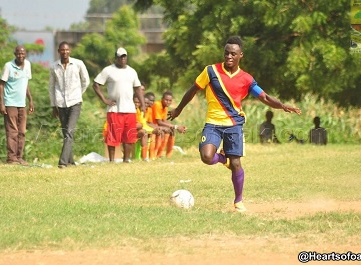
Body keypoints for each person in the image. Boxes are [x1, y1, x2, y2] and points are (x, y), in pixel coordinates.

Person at [168, 36, 301, 212]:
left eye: (233, 54)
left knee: (236, 164)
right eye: (226, 53)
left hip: (234, 124)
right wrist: (178, 109)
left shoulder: (246, 79)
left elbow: (265, 97)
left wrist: (282, 106)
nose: (229, 56)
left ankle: (238, 201)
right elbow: (193, 90)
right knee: (207, 157)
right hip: (213, 123)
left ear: (240, 55)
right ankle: (223, 159)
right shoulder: (211, 71)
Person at [93, 47, 145, 163]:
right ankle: (111, 161)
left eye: (124, 56)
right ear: (116, 58)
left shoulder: (132, 71)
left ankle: (126, 160)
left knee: (129, 136)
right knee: (113, 136)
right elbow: (96, 84)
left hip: (130, 109)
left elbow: (137, 88)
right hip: (114, 109)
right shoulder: (108, 70)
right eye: (120, 57)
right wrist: (104, 100)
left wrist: (143, 104)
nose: (123, 59)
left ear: (126, 57)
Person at [49, 41, 90, 168]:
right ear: (58, 51)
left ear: (70, 51)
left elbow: (86, 81)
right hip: (61, 103)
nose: (65, 52)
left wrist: (78, 93)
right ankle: (70, 161)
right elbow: (51, 87)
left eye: (67, 50)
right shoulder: (54, 67)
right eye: (62, 50)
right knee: (65, 132)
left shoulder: (78, 64)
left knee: (69, 131)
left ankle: (62, 162)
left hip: (75, 102)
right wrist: (53, 105)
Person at [0, 45, 34, 165]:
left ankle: (19, 157)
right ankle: (11, 158)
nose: (21, 55)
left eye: (23, 53)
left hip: (21, 103)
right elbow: (1, 85)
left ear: (26, 54)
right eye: (18, 53)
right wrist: (1, 103)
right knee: (12, 131)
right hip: (10, 103)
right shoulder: (8, 66)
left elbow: (26, 84)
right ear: (15, 54)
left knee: (22, 131)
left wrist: (30, 100)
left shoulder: (28, 65)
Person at [151, 91, 186, 159]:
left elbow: (164, 120)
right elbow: (159, 122)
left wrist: (176, 127)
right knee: (166, 130)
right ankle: (156, 155)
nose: (168, 102)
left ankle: (168, 155)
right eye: (166, 100)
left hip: (157, 125)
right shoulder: (157, 104)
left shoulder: (165, 107)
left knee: (171, 130)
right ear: (162, 99)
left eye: (170, 100)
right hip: (152, 124)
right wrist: (176, 127)